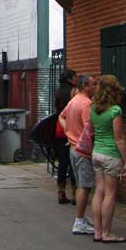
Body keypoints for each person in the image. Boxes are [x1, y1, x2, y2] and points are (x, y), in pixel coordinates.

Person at [90, 75, 126, 244]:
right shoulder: (115, 111)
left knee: (99, 191)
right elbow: (118, 138)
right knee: (110, 194)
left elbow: (92, 130)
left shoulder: (93, 107)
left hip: (96, 153)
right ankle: (107, 233)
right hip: (111, 155)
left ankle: (97, 232)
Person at [59, 74, 97, 235]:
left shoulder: (73, 100)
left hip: (73, 148)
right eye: (94, 84)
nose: (96, 87)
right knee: (84, 186)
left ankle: (81, 219)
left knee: (82, 183)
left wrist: (69, 133)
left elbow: (61, 116)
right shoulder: (86, 104)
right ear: (85, 87)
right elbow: (90, 129)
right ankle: (79, 221)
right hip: (82, 151)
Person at [54, 69, 78, 204]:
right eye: (75, 76)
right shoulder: (74, 91)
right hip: (72, 128)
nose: (77, 78)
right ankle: (75, 193)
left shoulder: (58, 91)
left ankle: (61, 192)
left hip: (59, 128)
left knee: (63, 162)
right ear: (70, 78)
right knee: (74, 162)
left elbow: (56, 110)